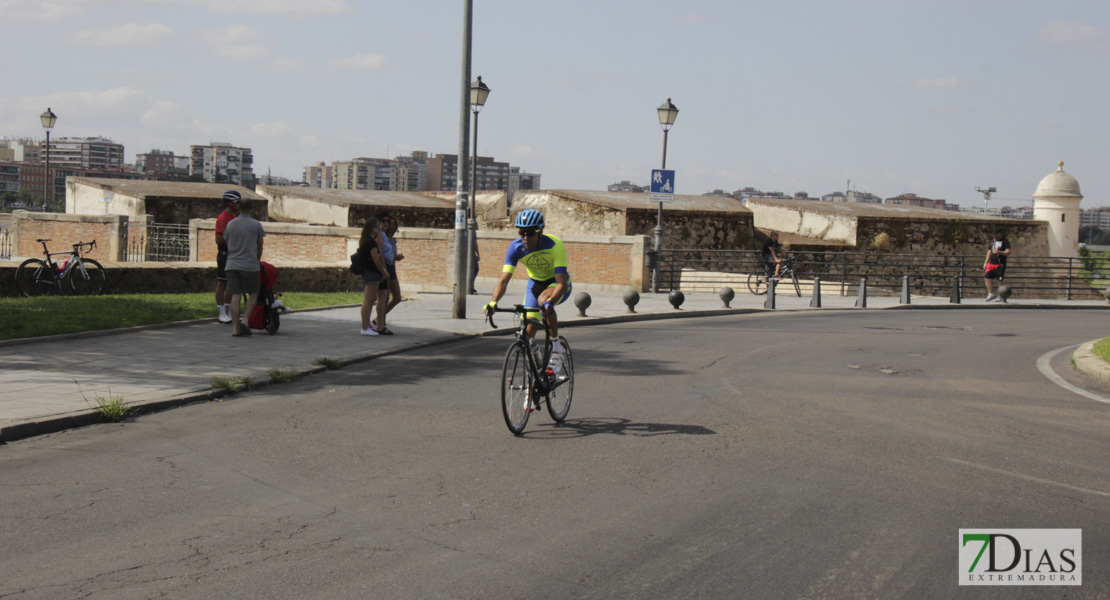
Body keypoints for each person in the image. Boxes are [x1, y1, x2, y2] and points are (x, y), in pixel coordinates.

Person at [483, 209, 572, 378]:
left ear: (540, 231)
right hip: (536, 284)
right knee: (526, 334)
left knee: (543, 300)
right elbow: (503, 280)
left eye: (530, 233)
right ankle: (532, 377)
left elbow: (561, 282)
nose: (525, 237)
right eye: (522, 232)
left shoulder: (554, 245)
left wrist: (551, 302)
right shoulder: (516, 248)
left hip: (558, 283)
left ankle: (557, 348)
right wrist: (493, 302)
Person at [223, 199, 266, 337]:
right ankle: (245, 320)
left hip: (232, 263)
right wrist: (257, 260)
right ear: (252, 208)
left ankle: (235, 328)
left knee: (236, 295)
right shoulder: (256, 225)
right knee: (253, 293)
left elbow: (227, 241)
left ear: (238, 207)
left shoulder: (230, 224)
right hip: (249, 264)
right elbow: (260, 245)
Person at [358, 217, 391, 336]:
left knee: (371, 300)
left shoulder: (367, 240)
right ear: (371, 229)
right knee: (369, 300)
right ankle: (365, 327)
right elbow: (376, 260)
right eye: (377, 226)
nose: (379, 228)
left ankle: (366, 326)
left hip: (371, 272)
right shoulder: (370, 242)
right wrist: (384, 272)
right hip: (371, 272)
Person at [214, 190, 241, 323]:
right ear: (229, 203)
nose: (238, 205)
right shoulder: (223, 218)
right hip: (225, 253)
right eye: (237, 202)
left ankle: (229, 310)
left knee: (231, 283)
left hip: (234, 253)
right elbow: (218, 239)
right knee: (222, 283)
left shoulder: (236, 217)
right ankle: (221, 312)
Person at [983, 229, 1012, 302]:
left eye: (996, 234)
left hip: (1000, 264)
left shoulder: (1005, 241)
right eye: (994, 234)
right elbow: (989, 251)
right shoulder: (993, 241)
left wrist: (999, 252)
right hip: (991, 263)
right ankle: (990, 294)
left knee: (999, 280)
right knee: (987, 277)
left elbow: (1008, 252)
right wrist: (986, 262)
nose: (995, 236)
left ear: (1000, 234)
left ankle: (1001, 295)